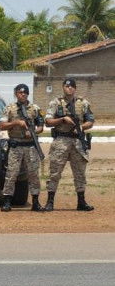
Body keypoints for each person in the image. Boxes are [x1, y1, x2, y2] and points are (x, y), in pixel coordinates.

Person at [44, 78, 95, 211]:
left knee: (80, 173)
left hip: (77, 141)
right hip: (61, 140)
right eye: (67, 86)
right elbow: (48, 121)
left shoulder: (83, 103)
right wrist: (62, 119)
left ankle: (81, 202)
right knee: (55, 172)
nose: (69, 88)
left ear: (75, 88)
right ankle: (50, 202)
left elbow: (90, 120)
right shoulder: (56, 102)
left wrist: (81, 127)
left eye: (72, 86)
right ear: (63, 87)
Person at [0, 84, 44, 212]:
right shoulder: (10, 109)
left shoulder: (35, 109)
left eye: (25, 93)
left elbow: (41, 126)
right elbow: (2, 126)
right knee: (11, 174)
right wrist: (16, 122)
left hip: (30, 146)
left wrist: (34, 131)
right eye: (20, 92)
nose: (22, 94)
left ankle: (35, 202)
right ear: (16, 94)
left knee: (33, 174)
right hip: (16, 146)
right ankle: (7, 201)